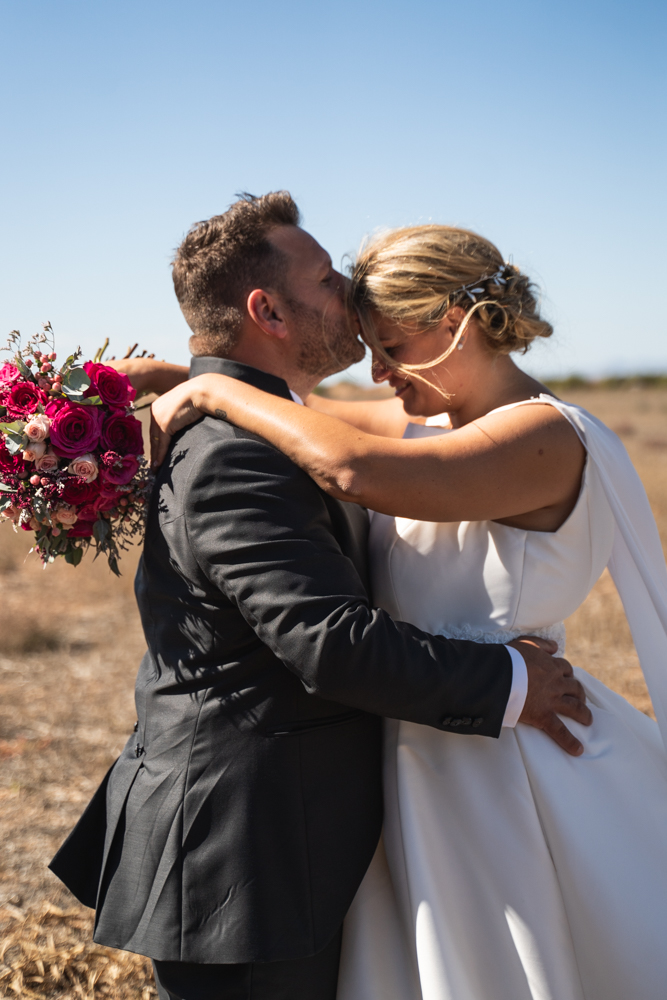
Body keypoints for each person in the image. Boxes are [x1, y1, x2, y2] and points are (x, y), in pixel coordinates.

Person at [48, 194, 585, 1000]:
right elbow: (329, 642)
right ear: (265, 308)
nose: (351, 295)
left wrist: (196, 379)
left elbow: (347, 445)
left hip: (289, 839)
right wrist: (510, 680)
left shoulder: (271, 427)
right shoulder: (236, 455)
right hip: (245, 856)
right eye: (329, 278)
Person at [147, 221, 667, 999]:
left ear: (456, 323)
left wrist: (215, 390)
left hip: (507, 763)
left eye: (391, 345)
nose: (378, 371)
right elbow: (305, 411)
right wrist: (162, 372)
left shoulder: (543, 436)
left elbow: (348, 465)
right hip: (417, 754)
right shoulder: (433, 420)